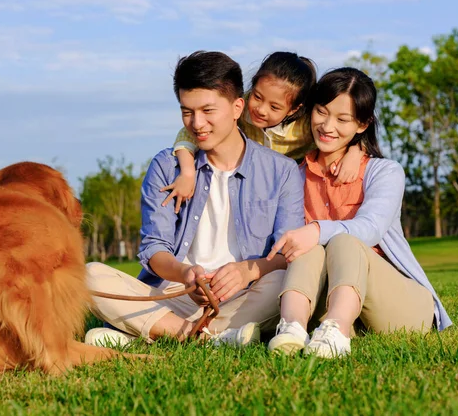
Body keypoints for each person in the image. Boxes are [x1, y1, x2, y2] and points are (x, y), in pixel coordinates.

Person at [84, 51, 304, 348]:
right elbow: (154, 249)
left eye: (208, 111)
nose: (197, 123)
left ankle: (150, 332)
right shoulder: (166, 167)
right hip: (175, 294)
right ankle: (208, 337)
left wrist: (246, 271)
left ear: (237, 107)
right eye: (187, 112)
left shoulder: (282, 171)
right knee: (89, 276)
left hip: (243, 294)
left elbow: (285, 253)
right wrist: (186, 274)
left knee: (284, 283)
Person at [265, 67, 452, 358]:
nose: (327, 126)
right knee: (308, 248)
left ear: (362, 124)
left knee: (343, 239)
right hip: (329, 298)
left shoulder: (385, 172)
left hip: (400, 307)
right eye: (321, 112)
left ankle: (337, 331)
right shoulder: (294, 176)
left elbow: (370, 229)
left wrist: (315, 230)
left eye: (343, 119)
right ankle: (292, 328)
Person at [162, 52, 365, 214]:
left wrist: (355, 152)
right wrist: (188, 172)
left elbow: (342, 133)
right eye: (257, 97)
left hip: (285, 188)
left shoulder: (305, 126)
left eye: (275, 107)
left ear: (294, 109)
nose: (261, 109)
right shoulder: (239, 111)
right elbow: (190, 132)